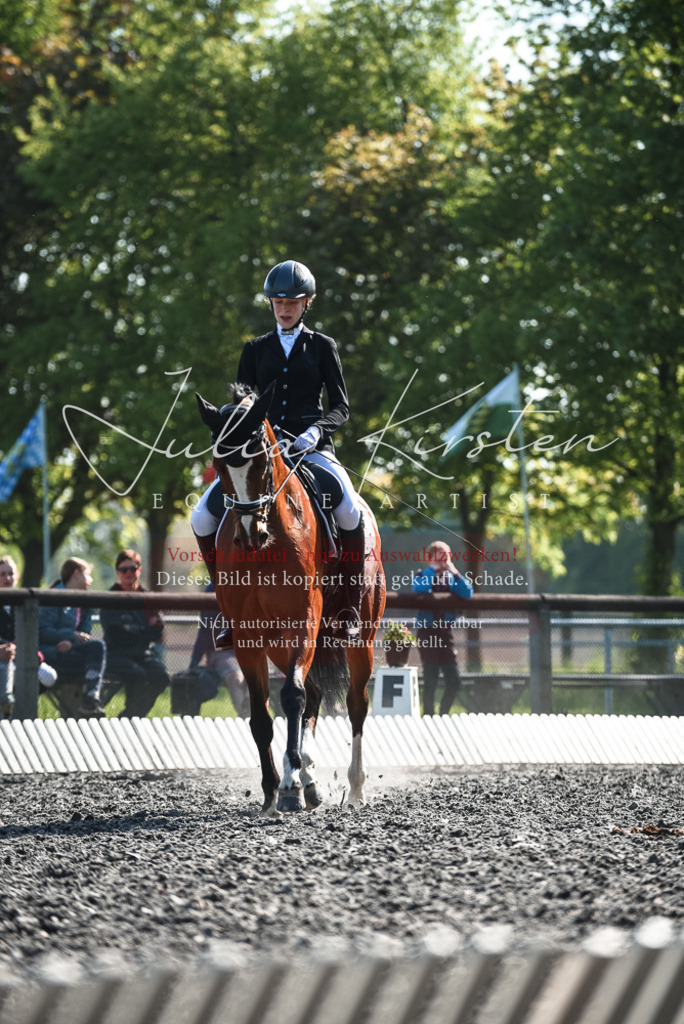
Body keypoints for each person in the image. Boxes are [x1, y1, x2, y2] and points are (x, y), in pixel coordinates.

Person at [191, 258, 365, 641]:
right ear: (271, 304)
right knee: (202, 517)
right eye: (278, 302)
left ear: (307, 303)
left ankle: (350, 604)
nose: (285, 309)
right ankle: (227, 606)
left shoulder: (322, 347)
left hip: (311, 447)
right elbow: (242, 403)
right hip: (261, 451)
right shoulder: (255, 350)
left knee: (351, 510)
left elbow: (341, 406)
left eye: (293, 302)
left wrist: (316, 432)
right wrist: (244, 429)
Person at [99, 549, 170, 719]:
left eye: (133, 568)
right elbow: (115, 633)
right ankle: (130, 720)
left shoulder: (148, 597)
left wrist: (133, 630)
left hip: (143, 654)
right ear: (118, 572)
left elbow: (158, 631)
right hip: (115, 655)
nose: (129, 573)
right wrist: (145, 629)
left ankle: (128, 717)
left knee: (161, 676)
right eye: (124, 570)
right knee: (137, 675)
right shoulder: (110, 597)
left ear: (140, 570)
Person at [38, 557, 107, 718]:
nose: (90, 580)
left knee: (97, 646)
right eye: (87, 574)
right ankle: (89, 700)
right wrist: (70, 636)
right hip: (53, 655)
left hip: (71, 653)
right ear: (76, 574)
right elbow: (42, 630)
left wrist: (74, 639)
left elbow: (85, 635)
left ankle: (90, 698)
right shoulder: (55, 596)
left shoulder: (84, 602)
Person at [412, 540, 473, 716]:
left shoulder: (451, 578)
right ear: (430, 558)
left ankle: (443, 714)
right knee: (430, 677)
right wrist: (432, 569)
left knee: (453, 680)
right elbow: (418, 588)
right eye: (439, 558)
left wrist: (454, 572)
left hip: (445, 633)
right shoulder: (421, 574)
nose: (443, 562)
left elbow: (467, 592)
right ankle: (429, 715)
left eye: (446, 557)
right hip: (427, 632)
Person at [173, 584, 249, 716]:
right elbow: (205, 631)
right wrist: (193, 662)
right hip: (222, 651)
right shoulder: (212, 589)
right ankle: (247, 719)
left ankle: (260, 721)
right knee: (236, 679)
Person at [0, 555, 58, 718]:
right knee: (5, 670)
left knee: (49, 676)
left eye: (10, 574)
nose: (7, 578)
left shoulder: (23, 603)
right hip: (2, 659)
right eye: (2, 574)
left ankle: (18, 710)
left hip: (20, 655)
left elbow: (30, 634)